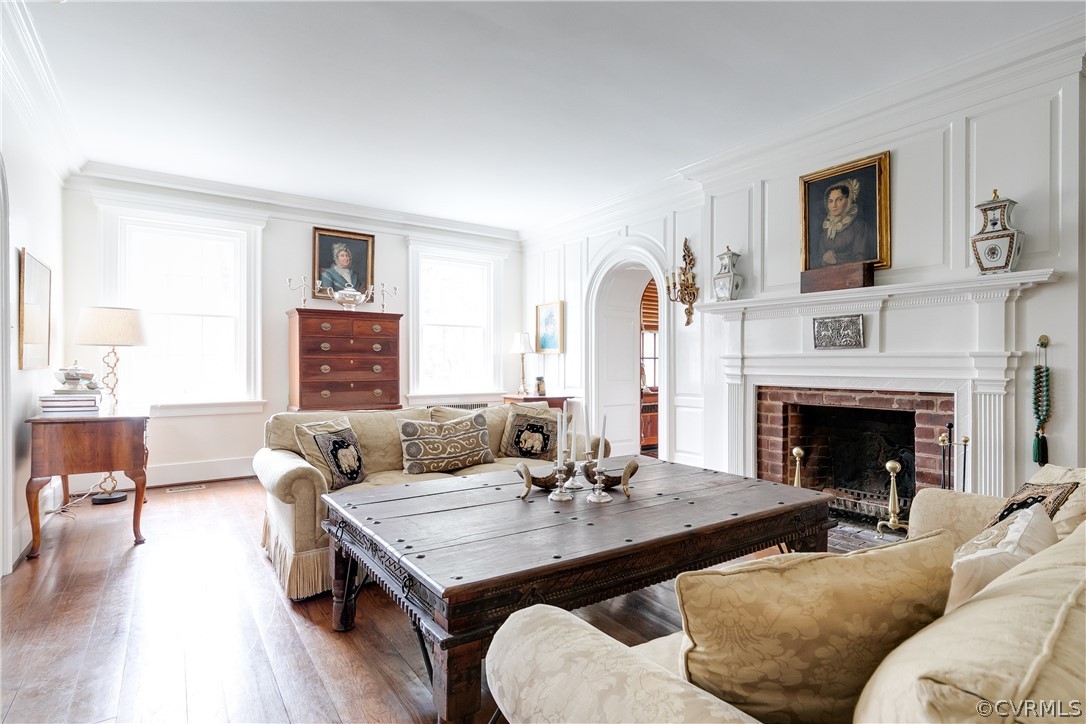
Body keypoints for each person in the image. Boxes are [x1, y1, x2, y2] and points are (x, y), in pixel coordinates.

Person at [813, 178, 875, 268]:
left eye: (839, 199)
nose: (834, 205)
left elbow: (861, 260)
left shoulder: (859, 226)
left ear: (848, 200)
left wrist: (837, 259)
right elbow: (818, 262)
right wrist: (824, 258)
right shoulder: (826, 229)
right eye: (830, 201)